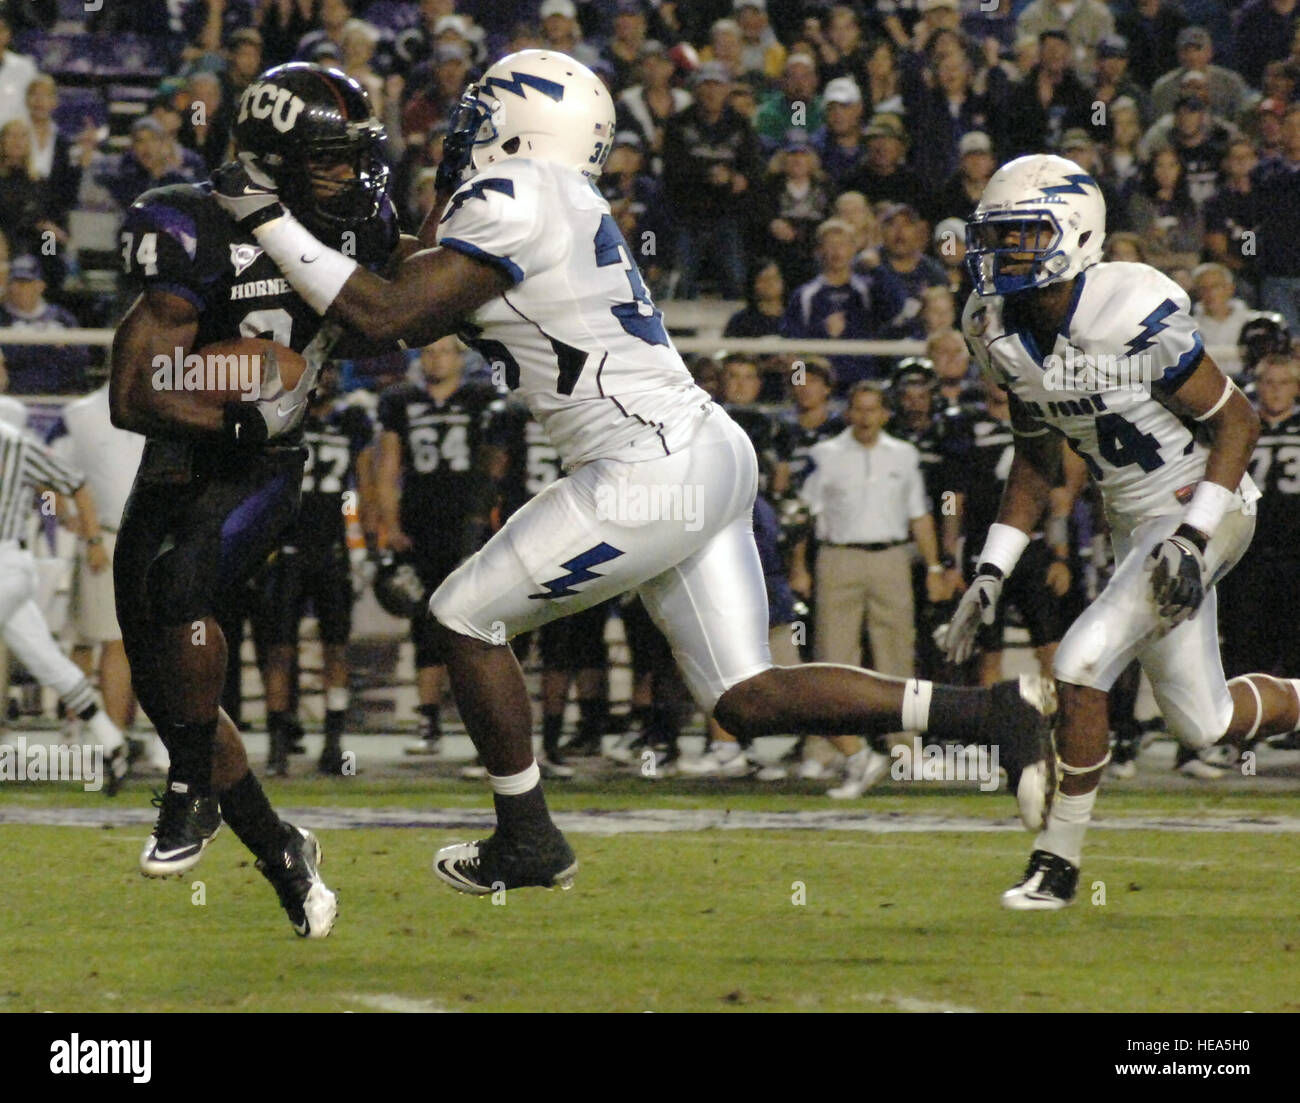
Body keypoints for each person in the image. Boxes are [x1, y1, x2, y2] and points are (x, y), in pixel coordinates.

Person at [212, 49, 1059, 895]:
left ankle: (528, 836)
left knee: (464, 618)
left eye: (480, 113)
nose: (460, 131)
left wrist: (264, 217)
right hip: (697, 451)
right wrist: (307, 235)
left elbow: (386, 313)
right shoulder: (544, 199)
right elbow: (388, 295)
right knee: (747, 698)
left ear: (520, 124)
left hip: (647, 461)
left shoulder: (518, 194)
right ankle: (992, 714)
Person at [948, 152, 1300, 910]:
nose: (1000, 253)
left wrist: (1193, 536)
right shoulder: (993, 326)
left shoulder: (1128, 308)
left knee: (1081, 661)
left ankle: (1057, 864)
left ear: (1073, 235)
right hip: (1134, 519)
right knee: (1203, 724)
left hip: (1207, 499)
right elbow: (1036, 460)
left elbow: (1237, 419)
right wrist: (991, 568)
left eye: (1021, 235)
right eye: (997, 236)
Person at [108, 63, 407, 937]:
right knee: (173, 694)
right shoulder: (193, 226)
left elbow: (392, 314)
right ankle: (283, 854)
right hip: (189, 450)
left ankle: (187, 788)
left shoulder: (358, 225)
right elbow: (132, 394)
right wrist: (225, 414)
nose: (351, 176)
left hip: (271, 462)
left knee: (185, 585)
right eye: (329, 159)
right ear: (274, 158)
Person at [376, 336, 498, 762]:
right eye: (428, 351)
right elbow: (388, 466)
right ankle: (429, 723)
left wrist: (490, 518)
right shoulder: (400, 400)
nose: (435, 357)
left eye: (444, 350)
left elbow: (496, 461)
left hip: (471, 526)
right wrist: (389, 525)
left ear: (461, 357)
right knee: (426, 625)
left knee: (480, 625)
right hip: (421, 525)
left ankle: (488, 727)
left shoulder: (482, 398)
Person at [0, 413, 128, 794]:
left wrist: (85, 535)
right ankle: (113, 743)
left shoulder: (15, 442)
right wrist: (62, 517)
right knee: (49, 663)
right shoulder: (17, 442)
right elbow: (62, 488)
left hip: (5, 562)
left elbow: (70, 484)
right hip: (12, 566)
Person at [260, 362, 372, 775]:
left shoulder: (351, 422)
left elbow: (364, 484)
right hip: (287, 549)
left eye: (326, 373)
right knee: (279, 650)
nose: (320, 381)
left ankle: (333, 741)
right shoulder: (284, 420)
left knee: (336, 648)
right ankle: (276, 746)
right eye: (315, 373)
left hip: (333, 549)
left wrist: (366, 545)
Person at [49, 383, 157, 768]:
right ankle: (110, 737)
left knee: (128, 642)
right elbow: (50, 468)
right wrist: (74, 522)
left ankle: (111, 732)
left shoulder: (166, 403)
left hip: (153, 538)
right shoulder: (80, 413)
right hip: (107, 537)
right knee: (108, 640)